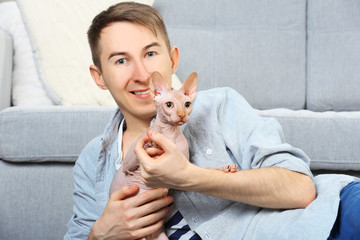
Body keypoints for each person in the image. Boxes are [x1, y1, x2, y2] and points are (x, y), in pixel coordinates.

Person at [64, 2, 359, 240]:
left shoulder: (220, 104)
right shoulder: (94, 160)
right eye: (120, 60)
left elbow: (300, 189)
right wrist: (99, 235)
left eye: (151, 53)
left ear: (173, 59)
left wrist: (187, 176)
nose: (141, 73)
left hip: (326, 217)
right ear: (99, 76)